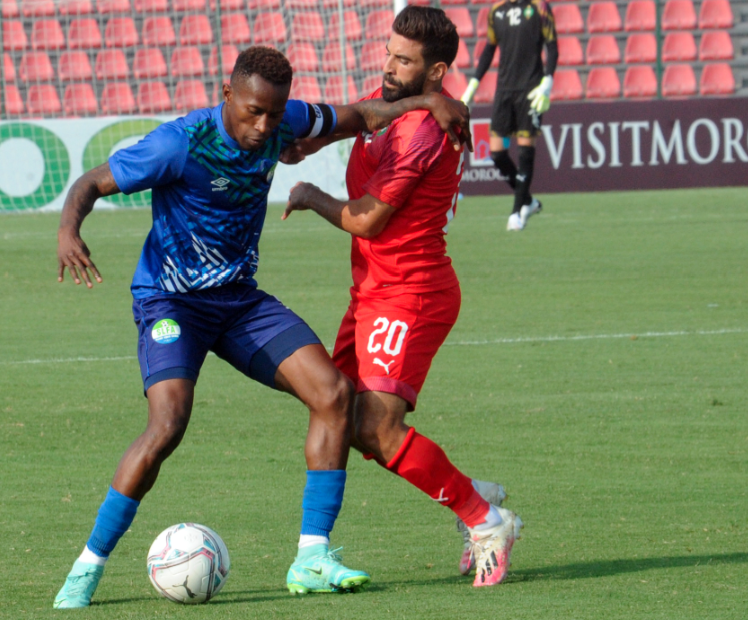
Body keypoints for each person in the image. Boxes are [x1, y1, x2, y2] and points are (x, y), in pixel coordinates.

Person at [52, 46, 471, 608]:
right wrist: (69, 232)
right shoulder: (179, 144)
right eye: (253, 112)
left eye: (274, 114)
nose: (265, 127)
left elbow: (359, 116)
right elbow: (90, 183)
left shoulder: (284, 119)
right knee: (168, 424)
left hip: (238, 302)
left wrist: (426, 103)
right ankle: (88, 565)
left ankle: (312, 556)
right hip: (172, 303)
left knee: (334, 393)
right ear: (228, 95)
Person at [281, 6, 522, 587]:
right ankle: (468, 495)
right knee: (337, 412)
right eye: (389, 53)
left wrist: (310, 194)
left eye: (405, 60)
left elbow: (367, 219)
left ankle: (485, 520)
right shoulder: (398, 101)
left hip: (410, 293)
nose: (389, 67)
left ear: (436, 71)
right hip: (372, 290)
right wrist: (302, 142)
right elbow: (357, 118)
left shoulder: (423, 131)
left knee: (375, 428)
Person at [460, 0, 558, 231]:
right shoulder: (496, 12)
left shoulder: (539, 7)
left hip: (530, 90)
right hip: (504, 90)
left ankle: (516, 212)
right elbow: (490, 49)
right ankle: (528, 201)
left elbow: (552, 45)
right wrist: (473, 84)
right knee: (496, 153)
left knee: (525, 150)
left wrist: (548, 80)